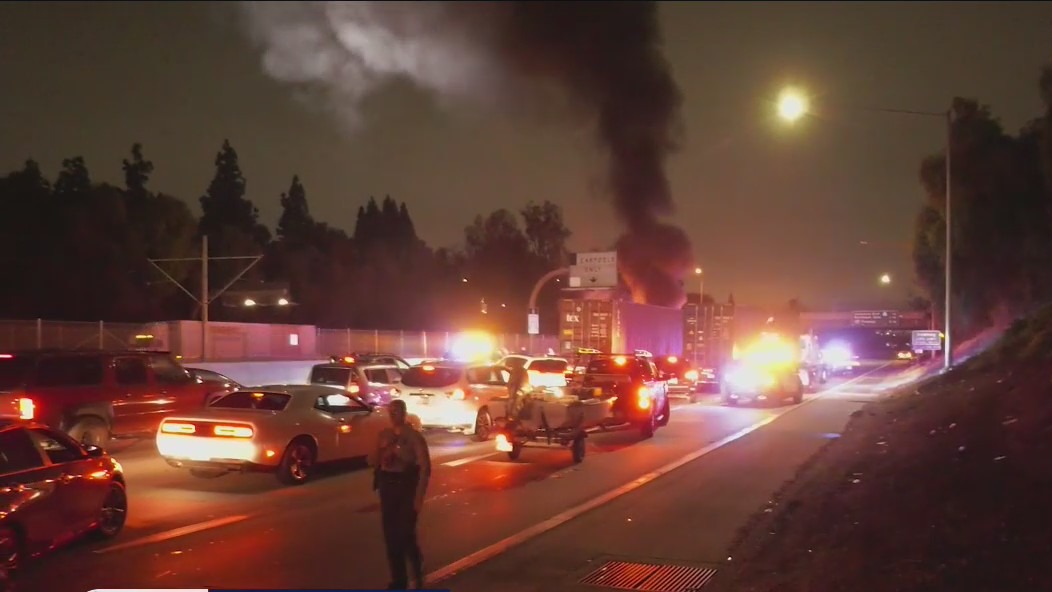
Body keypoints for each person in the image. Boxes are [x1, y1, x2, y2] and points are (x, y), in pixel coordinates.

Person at [368, 399, 431, 590]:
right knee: (390, 536)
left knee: (405, 534)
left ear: (404, 413)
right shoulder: (384, 435)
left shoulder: (414, 437)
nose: (394, 415)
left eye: (397, 411)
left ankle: (416, 570)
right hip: (388, 487)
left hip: (406, 487)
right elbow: (372, 461)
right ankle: (399, 579)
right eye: (391, 411)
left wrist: (419, 497)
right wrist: (381, 449)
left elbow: (425, 468)